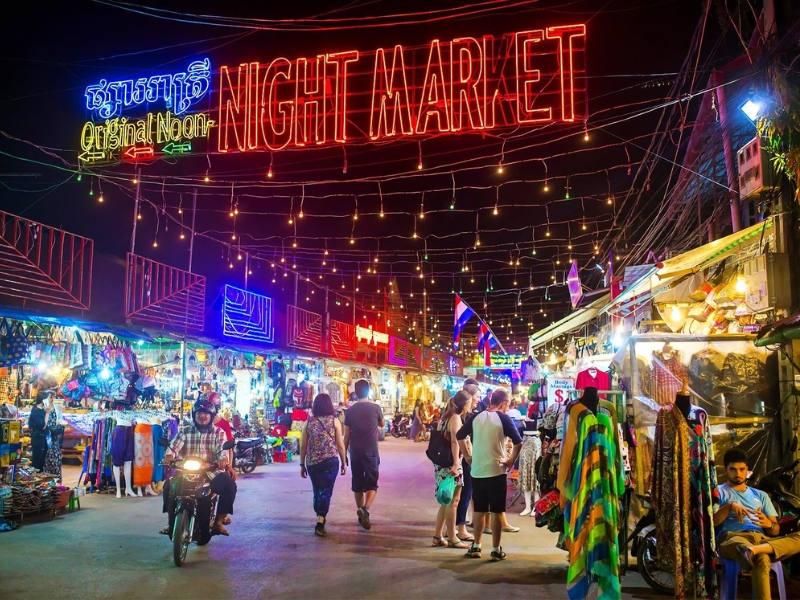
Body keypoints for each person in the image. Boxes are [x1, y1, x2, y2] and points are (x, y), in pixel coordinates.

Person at [714, 447, 800, 599]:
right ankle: (755, 550)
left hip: (761, 538)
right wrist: (729, 507)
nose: (738, 474)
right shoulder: (718, 492)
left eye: (742, 469)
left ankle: (754, 550)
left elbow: (775, 531)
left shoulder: (761, 495)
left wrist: (768, 524)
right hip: (733, 538)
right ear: (725, 470)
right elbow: (712, 523)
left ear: (747, 469)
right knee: (762, 559)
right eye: (733, 469)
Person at [456, 388, 523, 561]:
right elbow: (518, 442)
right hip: (497, 471)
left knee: (479, 510)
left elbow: (460, 436)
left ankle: (476, 546)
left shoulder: (475, 417)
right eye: (507, 405)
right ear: (503, 403)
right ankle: (495, 549)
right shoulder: (503, 418)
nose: (507, 408)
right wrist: (510, 461)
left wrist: (469, 457)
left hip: (477, 471)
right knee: (497, 511)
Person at [163, 396, 238, 542]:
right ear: (194, 415)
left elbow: (221, 450)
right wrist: (169, 455)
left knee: (229, 486)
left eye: (206, 414)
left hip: (210, 470)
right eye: (199, 413)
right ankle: (171, 522)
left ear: (211, 416)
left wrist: (223, 460)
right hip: (186, 470)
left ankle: (218, 522)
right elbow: (173, 446)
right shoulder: (185, 431)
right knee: (168, 486)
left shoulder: (219, 432)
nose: (202, 416)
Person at [300, 393, 347, 537]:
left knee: (317, 489)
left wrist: (302, 464)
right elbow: (340, 444)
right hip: (330, 461)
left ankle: (319, 514)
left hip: (313, 462)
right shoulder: (335, 421)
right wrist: (344, 462)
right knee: (326, 490)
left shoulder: (308, 422)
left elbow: (303, 446)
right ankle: (320, 521)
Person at [344, 379, 384, 531]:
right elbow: (382, 423)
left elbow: (346, 435)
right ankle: (365, 510)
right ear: (369, 391)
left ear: (355, 392)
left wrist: (344, 455)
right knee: (372, 483)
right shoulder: (375, 408)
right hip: (371, 450)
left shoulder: (350, 410)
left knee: (358, 484)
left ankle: (361, 515)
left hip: (355, 451)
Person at [432, 390, 471, 549]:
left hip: (442, 463)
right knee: (453, 501)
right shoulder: (455, 418)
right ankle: (453, 537)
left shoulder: (445, 416)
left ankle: (437, 536)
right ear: (465, 404)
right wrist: (456, 464)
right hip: (451, 464)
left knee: (445, 501)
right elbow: (455, 442)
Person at [456, 382, 482, 541]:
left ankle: (454, 527)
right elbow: (462, 439)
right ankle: (460, 528)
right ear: (469, 398)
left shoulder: (458, 415)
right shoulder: (466, 417)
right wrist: (468, 457)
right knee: (464, 494)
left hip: (460, 459)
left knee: (459, 496)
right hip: (465, 460)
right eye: (477, 397)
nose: (478, 400)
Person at [28, 392, 52, 471]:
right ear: (43, 400)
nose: (49, 400)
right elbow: (43, 426)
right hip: (38, 438)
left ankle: (40, 479)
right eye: (48, 398)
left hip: (44, 438)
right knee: (37, 461)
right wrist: (47, 413)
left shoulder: (43, 410)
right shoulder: (36, 411)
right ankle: (35, 480)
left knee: (42, 461)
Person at [44, 396, 63, 482]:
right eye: (50, 396)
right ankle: (47, 480)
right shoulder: (44, 408)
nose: (51, 398)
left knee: (55, 458)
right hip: (47, 437)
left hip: (54, 438)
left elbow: (60, 419)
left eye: (53, 396)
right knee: (47, 458)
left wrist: (58, 424)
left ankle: (56, 479)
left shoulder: (56, 407)